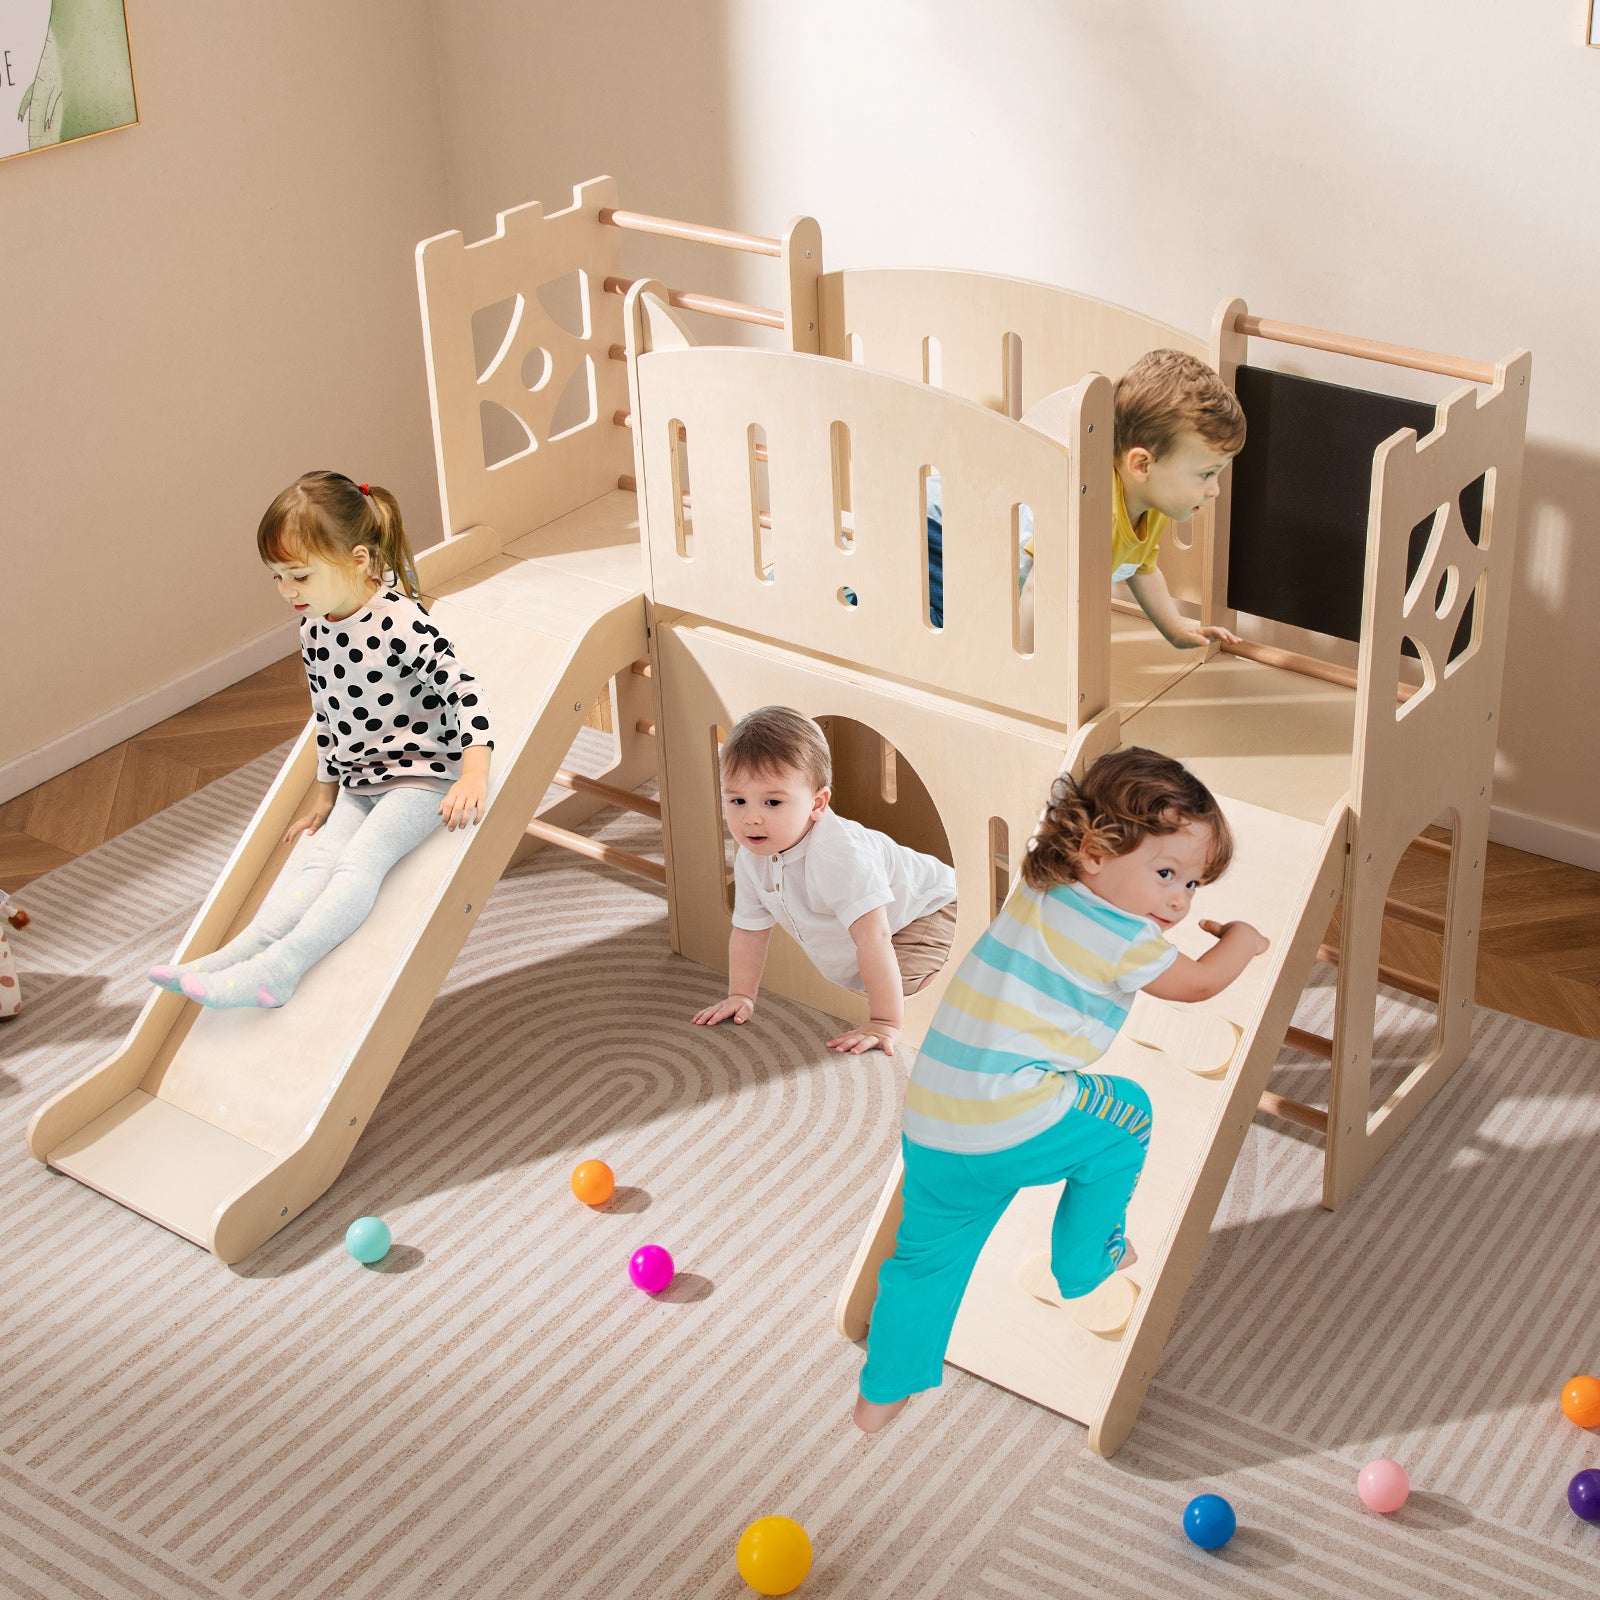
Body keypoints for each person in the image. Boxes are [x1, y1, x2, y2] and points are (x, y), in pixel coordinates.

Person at [853, 746, 1268, 1433]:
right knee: (1127, 1116)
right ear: (1094, 852)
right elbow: (1197, 984)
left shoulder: (1040, 884)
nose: (1179, 900)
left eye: (1194, 885)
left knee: (924, 1263)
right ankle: (1084, 1261)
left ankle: (881, 1393)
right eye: (1166, 874)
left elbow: (1074, 817)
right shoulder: (1122, 935)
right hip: (1006, 1116)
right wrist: (1243, 942)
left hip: (933, 1123)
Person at [148, 471, 491, 1009]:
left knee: (358, 864)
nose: (287, 591)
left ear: (357, 559)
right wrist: (325, 793)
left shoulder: (402, 623)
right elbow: (328, 715)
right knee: (313, 866)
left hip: (423, 776)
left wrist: (472, 774)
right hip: (359, 780)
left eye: (300, 576)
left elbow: (464, 691)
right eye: (277, 577)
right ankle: (233, 957)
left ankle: (279, 970)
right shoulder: (313, 629)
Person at [924, 349, 1246, 648]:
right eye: (1206, 474)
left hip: (986, 557)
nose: (1215, 490)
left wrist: (1176, 631)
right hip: (943, 530)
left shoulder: (1150, 507)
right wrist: (1023, 663)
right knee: (951, 630)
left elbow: (1141, 570)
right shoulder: (1092, 509)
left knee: (978, 622)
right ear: (1142, 465)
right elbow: (1039, 588)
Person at [692, 706, 959, 1058]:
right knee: (873, 975)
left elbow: (874, 937)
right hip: (886, 927)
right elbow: (748, 931)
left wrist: (884, 1022)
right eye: (738, 800)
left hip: (928, 911)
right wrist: (741, 994)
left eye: (772, 802)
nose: (751, 818)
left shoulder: (838, 856)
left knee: (920, 995)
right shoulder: (752, 857)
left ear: (817, 804)